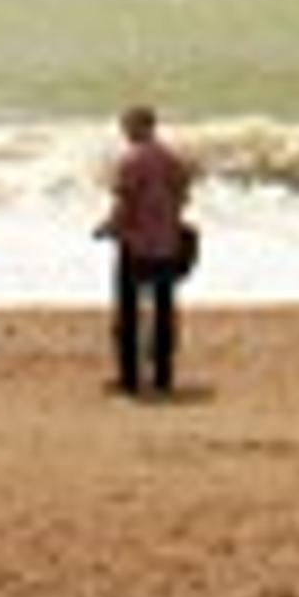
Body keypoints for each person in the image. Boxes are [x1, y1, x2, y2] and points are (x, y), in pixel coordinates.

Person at [98, 102, 196, 398]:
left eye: (127, 126)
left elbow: (124, 204)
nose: (124, 131)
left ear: (140, 126)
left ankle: (130, 379)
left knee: (128, 311)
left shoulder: (131, 162)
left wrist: (108, 227)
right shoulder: (172, 159)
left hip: (136, 245)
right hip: (167, 244)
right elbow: (183, 196)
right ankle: (164, 378)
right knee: (164, 310)